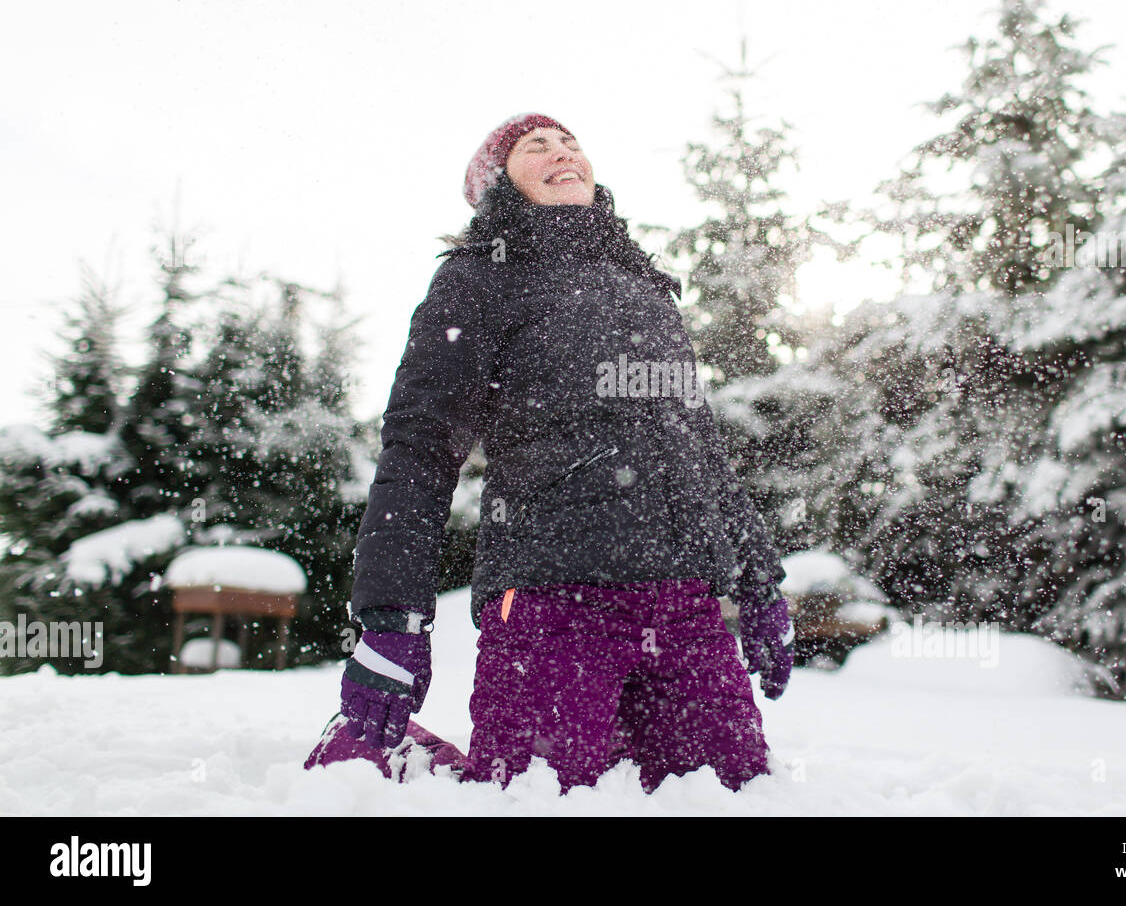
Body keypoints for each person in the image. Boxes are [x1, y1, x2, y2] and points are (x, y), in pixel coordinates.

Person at [309, 112, 794, 794]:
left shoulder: (647, 287)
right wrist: (393, 619)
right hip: (549, 601)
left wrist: (758, 579)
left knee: (733, 795)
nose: (562, 153)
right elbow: (419, 452)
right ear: (498, 184)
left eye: (572, 143)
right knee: (538, 797)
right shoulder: (477, 281)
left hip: (678, 603)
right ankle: (389, 757)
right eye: (537, 147)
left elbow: (699, 449)